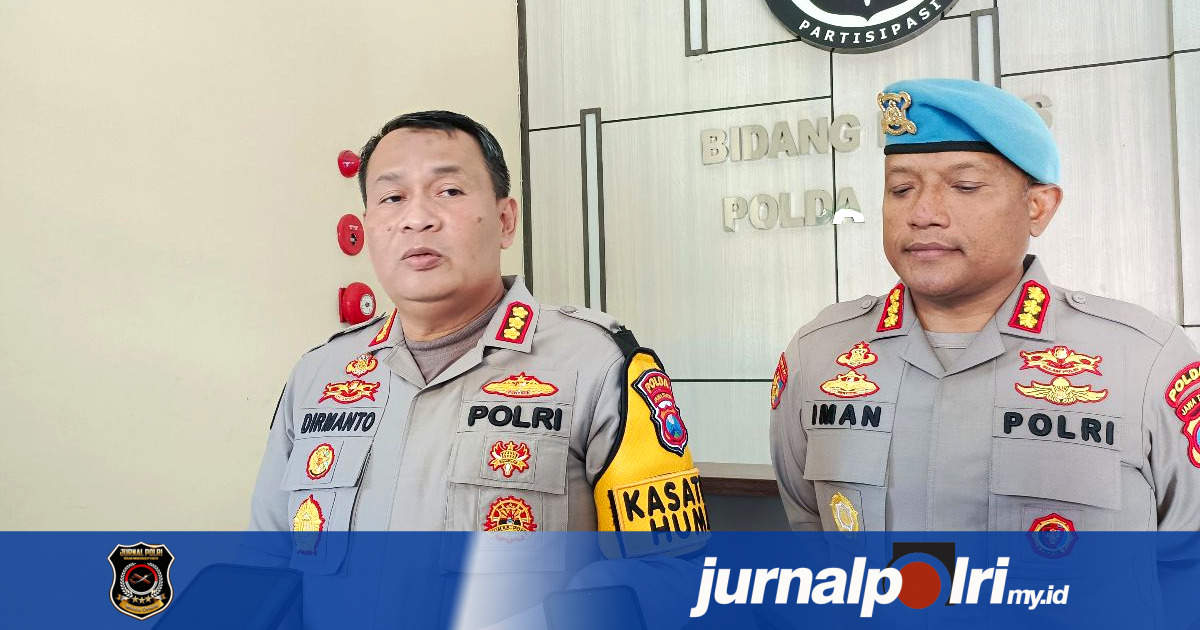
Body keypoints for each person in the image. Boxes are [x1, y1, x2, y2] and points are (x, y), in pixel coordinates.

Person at [245, 111, 708, 565]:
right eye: (392, 197)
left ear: (505, 220)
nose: (417, 218)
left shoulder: (598, 365)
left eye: (449, 191)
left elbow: (668, 574)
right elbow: (266, 570)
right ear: (367, 228)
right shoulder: (319, 375)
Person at [769, 78, 1200, 533]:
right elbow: (811, 529)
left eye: (965, 186)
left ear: (1038, 206)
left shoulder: (1145, 361)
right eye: (901, 189)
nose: (923, 213)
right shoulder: (817, 355)